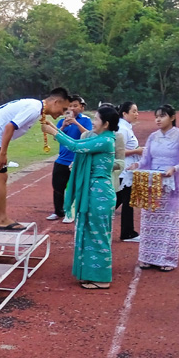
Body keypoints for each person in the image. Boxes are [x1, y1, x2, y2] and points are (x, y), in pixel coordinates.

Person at [42, 106, 120, 289]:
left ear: (106, 124)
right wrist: (53, 128)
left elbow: (76, 147)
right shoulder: (100, 138)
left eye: (97, 119)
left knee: (98, 235)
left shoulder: (105, 140)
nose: (93, 122)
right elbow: (77, 143)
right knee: (88, 233)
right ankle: (90, 274)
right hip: (93, 192)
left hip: (99, 194)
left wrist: (54, 132)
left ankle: (102, 279)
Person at [0, 88, 70, 230]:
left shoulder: (36, 106)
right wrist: (3, 153)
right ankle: (1, 219)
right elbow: (9, 127)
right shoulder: (34, 108)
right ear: (56, 102)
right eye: (63, 109)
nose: (62, 113)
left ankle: (0, 217)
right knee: (0, 176)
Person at [128, 104, 179, 272]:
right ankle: (147, 257)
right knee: (149, 220)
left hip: (170, 184)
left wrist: (174, 168)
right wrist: (137, 165)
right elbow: (146, 160)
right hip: (153, 183)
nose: (158, 119)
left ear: (172, 117)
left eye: (162, 116)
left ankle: (167, 259)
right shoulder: (153, 137)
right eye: (156, 116)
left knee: (168, 221)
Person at [47, 95, 92, 223]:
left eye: (75, 106)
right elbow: (56, 136)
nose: (72, 108)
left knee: (75, 188)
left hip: (77, 160)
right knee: (57, 187)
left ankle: (71, 212)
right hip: (62, 159)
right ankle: (58, 211)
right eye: (70, 106)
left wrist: (76, 123)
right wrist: (63, 127)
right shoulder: (62, 121)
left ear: (81, 107)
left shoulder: (86, 120)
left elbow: (88, 135)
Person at [115, 102, 143, 242]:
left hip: (126, 171)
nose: (136, 114)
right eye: (134, 111)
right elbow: (118, 151)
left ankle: (94, 221)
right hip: (124, 171)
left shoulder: (126, 127)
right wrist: (137, 151)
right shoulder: (122, 129)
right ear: (125, 113)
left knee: (118, 200)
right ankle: (127, 233)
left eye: (137, 111)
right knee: (127, 202)